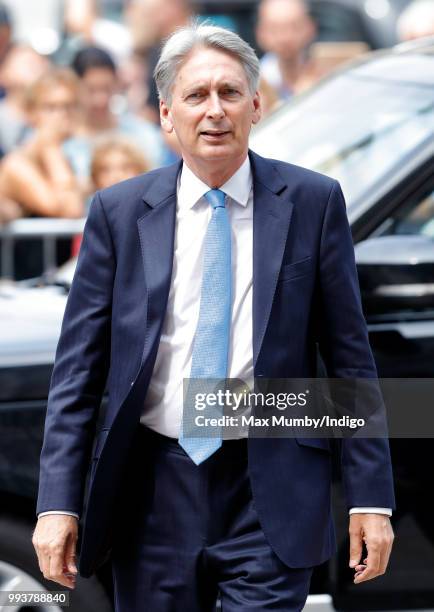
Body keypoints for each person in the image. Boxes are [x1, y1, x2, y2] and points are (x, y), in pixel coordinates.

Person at [32, 23, 395, 611]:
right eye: (196, 96)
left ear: (256, 105)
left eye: (229, 93)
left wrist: (371, 499)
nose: (215, 111)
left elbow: (351, 358)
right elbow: (75, 376)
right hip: (149, 490)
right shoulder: (118, 214)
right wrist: (57, 504)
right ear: (166, 115)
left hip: (269, 487)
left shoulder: (312, 202)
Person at [64, 45, 167, 186]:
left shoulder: (144, 134)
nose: (100, 99)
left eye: (106, 88)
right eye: (91, 90)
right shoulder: (65, 142)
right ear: (74, 88)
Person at [0, 68, 83, 219]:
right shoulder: (16, 165)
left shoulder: (68, 156)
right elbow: (71, 210)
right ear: (31, 113)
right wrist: (50, 147)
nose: (62, 115)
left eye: (69, 106)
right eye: (51, 108)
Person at [256, 0, 317, 99]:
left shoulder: (326, 77)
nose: (285, 37)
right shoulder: (252, 84)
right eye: (274, 29)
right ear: (260, 32)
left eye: (295, 27)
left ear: (310, 28)